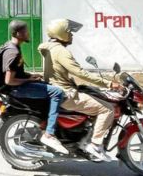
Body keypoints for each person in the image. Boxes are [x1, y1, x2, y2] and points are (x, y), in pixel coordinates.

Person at [38, 18, 121, 163]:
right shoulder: (61, 51)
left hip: (57, 90)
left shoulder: (48, 48)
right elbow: (81, 73)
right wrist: (108, 84)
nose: (72, 35)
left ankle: (84, 138)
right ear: (61, 33)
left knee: (95, 100)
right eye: (69, 32)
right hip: (66, 94)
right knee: (107, 109)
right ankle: (95, 145)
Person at [2, 20, 68, 154]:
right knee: (57, 92)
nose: (28, 34)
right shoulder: (13, 52)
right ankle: (49, 134)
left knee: (48, 86)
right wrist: (27, 80)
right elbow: (9, 80)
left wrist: (30, 76)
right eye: (25, 31)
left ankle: (46, 123)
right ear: (18, 33)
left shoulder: (12, 47)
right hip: (18, 89)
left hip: (19, 85)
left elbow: (17, 72)